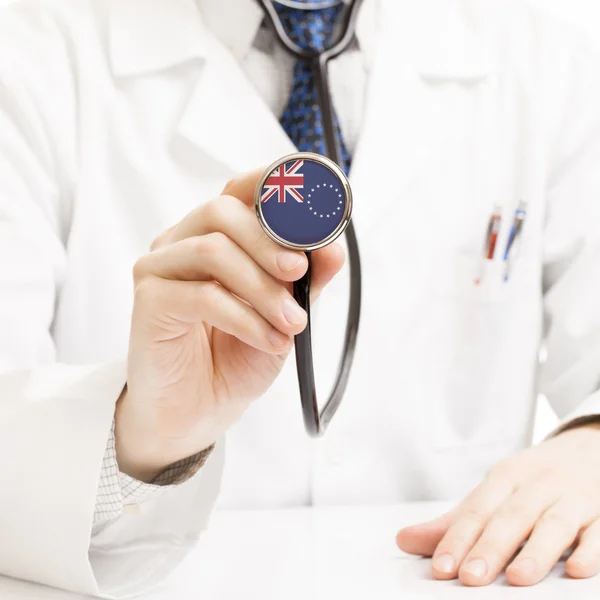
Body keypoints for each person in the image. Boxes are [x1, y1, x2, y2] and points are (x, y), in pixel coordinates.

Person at [1, 0, 600, 596]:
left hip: (460, 578)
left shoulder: (550, 61)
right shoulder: (30, 56)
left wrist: (591, 441)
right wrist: (145, 441)